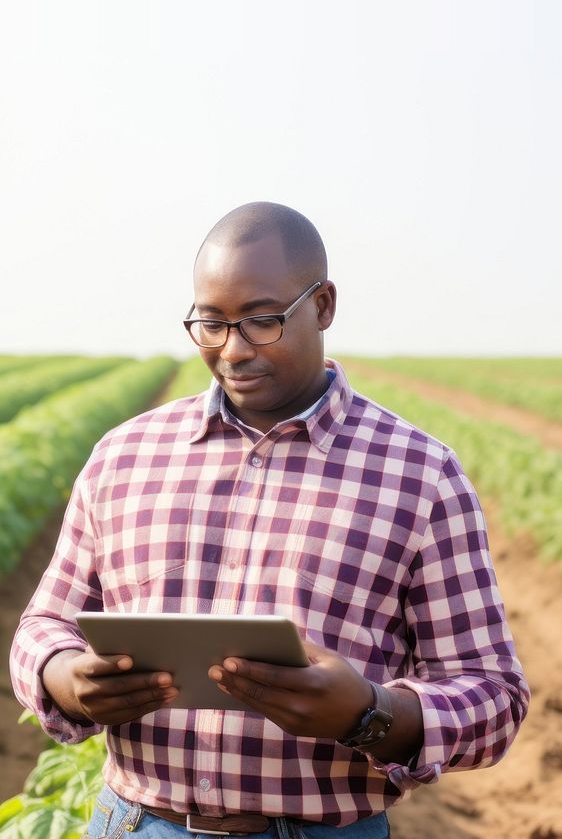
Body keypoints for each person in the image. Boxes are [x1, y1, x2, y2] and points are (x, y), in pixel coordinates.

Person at [11, 202, 529, 839]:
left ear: (324, 306)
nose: (232, 350)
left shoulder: (420, 475)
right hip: (136, 822)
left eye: (262, 321)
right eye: (211, 323)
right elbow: (44, 623)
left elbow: (494, 695)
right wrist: (64, 676)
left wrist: (370, 713)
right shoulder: (123, 456)